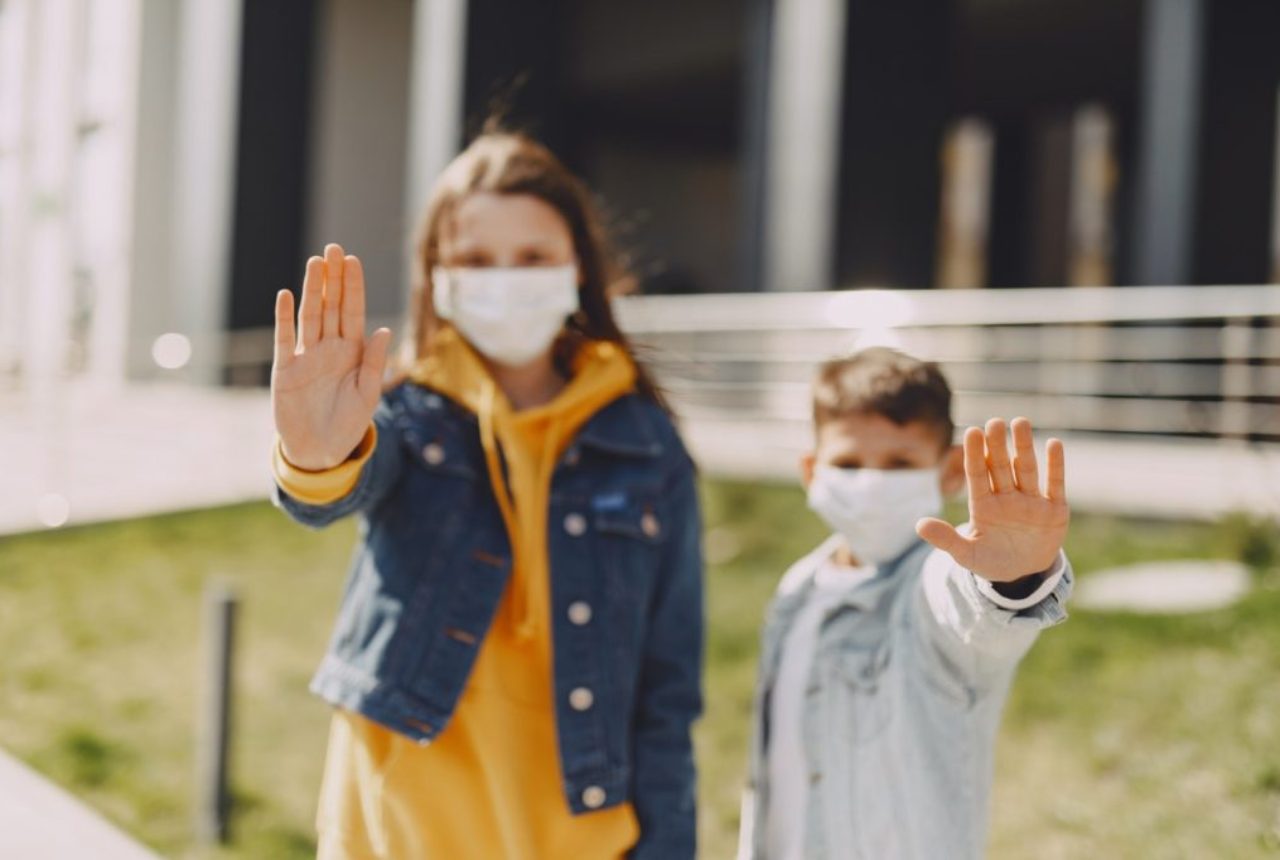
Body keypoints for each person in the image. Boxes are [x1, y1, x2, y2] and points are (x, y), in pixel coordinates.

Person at [269, 130, 703, 859]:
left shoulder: (650, 447)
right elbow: (335, 490)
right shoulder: (407, 412)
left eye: (532, 257)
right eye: (475, 259)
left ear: (578, 267)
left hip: (576, 838)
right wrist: (315, 455)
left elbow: (668, 690)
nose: (506, 278)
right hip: (395, 827)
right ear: (436, 276)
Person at [737, 348, 1073, 860]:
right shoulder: (797, 590)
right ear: (812, 472)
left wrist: (1010, 575)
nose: (872, 483)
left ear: (950, 471)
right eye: (848, 463)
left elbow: (967, 609)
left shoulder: (931, 583)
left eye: (900, 463)